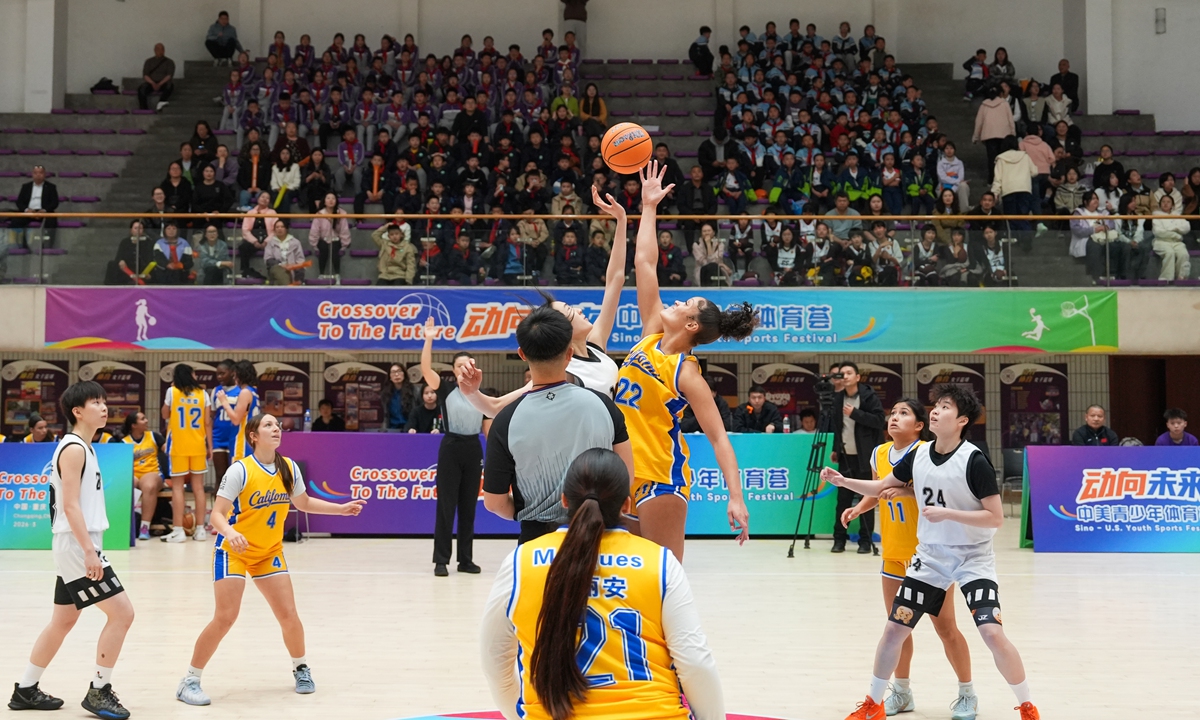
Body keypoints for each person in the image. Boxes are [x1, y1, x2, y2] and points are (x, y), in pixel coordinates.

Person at [824, 384, 1040, 720]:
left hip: (973, 559)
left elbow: (995, 517)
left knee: (991, 632)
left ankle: (1026, 705)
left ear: (962, 420)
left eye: (945, 407)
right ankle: (874, 702)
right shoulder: (919, 455)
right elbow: (883, 486)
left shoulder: (974, 460)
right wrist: (843, 482)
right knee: (895, 628)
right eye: (936, 405)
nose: (936, 410)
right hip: (931, 559)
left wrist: (948, 513)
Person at [480, 448, 725, 720]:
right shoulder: (660, 563)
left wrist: (520, 714)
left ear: (564, 500)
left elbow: (494, 659)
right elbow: (695, 662)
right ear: (627, 505)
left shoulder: (520, 562)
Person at [175, 414, 365, 706]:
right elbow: (216, 514)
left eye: (277, 425)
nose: (276, 429)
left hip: (268, 552)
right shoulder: (240, 470)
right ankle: (189, 680)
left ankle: (301, 668)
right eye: (268, 425)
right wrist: (230, 532)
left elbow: (302, 503)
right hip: (233, 551)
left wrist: (340, 510)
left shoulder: (288, 467)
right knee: (226, 617)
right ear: (253, 435)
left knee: (289, 615)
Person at [618, 161, 754, 561]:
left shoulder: (687, 373)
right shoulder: (650, 336)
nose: (675, 300)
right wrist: (648, 207)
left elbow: (717, 437)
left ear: (692, 324)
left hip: (660, 476)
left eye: (685, 303)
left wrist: (735, 496)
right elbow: (644, 264)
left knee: (663, 579)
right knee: (619, 576)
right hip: (620, 473)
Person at [840, 399, 976, 718]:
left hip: (929, 557)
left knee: (946, 629)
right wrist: (860, 507)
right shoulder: (879, 453)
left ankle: (967, 692)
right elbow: (878, 490)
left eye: (904, 414)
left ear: (918, 426)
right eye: (892, 413)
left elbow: (936, 495)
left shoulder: (929, 454)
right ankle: (901, 692)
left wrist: (904, 493)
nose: (894, 418)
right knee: (898, 628)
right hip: (893, 555)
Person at [8, 382, 134, 718]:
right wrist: (90, 551)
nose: (104, 407)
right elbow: (71, 506)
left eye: (105, 401)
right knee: (122, 614)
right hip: (78, 545)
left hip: (74, 544)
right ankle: (99, 691)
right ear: (78, 411)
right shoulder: (75, 448)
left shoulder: (84, 447)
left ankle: (25, 690)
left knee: (62, 621)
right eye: (96, 402)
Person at [458, 186, 630, 420]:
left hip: (612, 446)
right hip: (581, 452)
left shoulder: (596, 345)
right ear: (563, 331)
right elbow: (495, 407)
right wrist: (472, 393)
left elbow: (615, 280)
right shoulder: (561, 371)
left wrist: (621, 220)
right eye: (571, 311)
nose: (579, 310)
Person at [476, 307, 632, 545]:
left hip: (536, 539)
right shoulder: (604, 406)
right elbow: (626, 477)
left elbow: (494, 502)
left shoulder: (506, 420)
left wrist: (526, 514)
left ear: (522, 354)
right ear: (569, 354)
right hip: (600, 536)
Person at [419, 319, 487, 576]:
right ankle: (441, 560)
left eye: (468, 364)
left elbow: (489, 422)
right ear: (453, 369)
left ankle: (466, 560)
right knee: (446, 505)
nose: (464, 367)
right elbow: (426, 369)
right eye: (459, 364)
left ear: (474, 368)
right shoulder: (445, 388)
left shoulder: (481, 392)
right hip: (450, 447)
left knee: (469, 506)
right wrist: (429, 339)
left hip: (473, 448)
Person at [832, 361, 886, 555]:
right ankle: (839, 540)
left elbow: (879, 421)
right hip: (846, 455)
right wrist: (835, 448)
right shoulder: (838, 399)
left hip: (865, 456)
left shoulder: (869, 396)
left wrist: (855, 413)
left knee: (867, 499)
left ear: (857, 377)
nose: (845, 376)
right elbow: (838, 426)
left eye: (848, 373)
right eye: (842, 374)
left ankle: (865, 541)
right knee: (842, 499)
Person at [160, 363, 210, 543]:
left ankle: (179, 530)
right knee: (198, 488)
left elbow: (165, 415)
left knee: (178, 487)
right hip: (198, 445)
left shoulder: (172, 392)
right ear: (190, 375)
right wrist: (209, 446)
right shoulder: (203, 394)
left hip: (178, 446)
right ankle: (201, 530)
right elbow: (207, 423)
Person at [124, 410, 167, 541]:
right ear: (133, 425)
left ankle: (144, 527)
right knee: (126, 484)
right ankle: (126, 525)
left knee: (148, 486)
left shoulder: (154, 436)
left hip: (152, 473)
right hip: (134, 474)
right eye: (142, 419)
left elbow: (169, 451)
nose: (146, 421)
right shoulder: (124, 442)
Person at [213, 360, 260, 462]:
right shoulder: (253, 391)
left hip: (242, 442)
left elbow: (236, 420)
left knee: (239, 476)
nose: (234, 378)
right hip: (250, 440)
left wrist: (224, 402)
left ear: (240, 375)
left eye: (235, 375)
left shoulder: (245, 392)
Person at [11, 165, 60, 248]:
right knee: (16, 221)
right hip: (29, 212)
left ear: (45, 174)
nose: (38, 175)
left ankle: (48, 245)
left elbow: (54, 203)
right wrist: (27, 210)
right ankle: (21, 244)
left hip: (44, 212)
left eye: (40, 173)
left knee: (52, 220)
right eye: (35, 173)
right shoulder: (26, 187)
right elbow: (19, 202)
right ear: (32, 174)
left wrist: (44, 211)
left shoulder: (51, 187)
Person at [309, 193, 351, 279]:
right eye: (328, 198)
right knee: (323, 248)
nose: (331, 200)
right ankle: (321, 274)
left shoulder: (341, 213)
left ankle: (337, 274)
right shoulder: (319, 214)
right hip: (323, 240)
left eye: (333, 198)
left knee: (334, 248)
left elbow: (344, 230)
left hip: (336, 240)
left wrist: (344, 245)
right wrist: (314, 245)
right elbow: (314, 231)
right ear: (324, 201)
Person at [1151, 195, 1191, 282]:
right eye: (1163, 202)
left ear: (1172, 205)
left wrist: (1171, 228)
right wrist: (1177, 234)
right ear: (1160, 204)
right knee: (1170, 253)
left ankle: (1181, 278)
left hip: (1177, 243)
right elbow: (1159, 232)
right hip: (1161, 241)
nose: (1165, 204)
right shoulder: (1156, 216)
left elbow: (1186, 227)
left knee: (1183, 254)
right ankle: (1166, 279)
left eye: (1168, 202)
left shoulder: (1177, 215)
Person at [264, 219, 307, 286]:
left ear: (286, 228)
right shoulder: (270, 243)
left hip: (292, 269)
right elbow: (268, 260)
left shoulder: (295, 242)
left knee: (278, 282)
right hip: (276, 268)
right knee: (279, 271)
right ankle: (288, 289)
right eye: (277, 227)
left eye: (282, 227)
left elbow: (300, 260)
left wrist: (292, 268)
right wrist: (281, 265)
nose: (279, 229)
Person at [372, 222, 417, 286]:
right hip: (384, 275)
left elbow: (411, 265)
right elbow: (374, 235)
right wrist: (385, 227)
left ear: (401, 234)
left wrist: (409, 280)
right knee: (378, 291)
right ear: (388, 236)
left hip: (400, 275)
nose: (394, 236)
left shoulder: (407, 247)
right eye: (392, 234)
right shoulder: (384, 244)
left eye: (396, 234)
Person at [138, 43, 175, 112]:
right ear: (154, 50)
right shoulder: (148, 61)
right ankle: (143, 108)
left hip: (163, 82)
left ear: (164, 50)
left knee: (170, 86)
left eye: (162, 49)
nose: (160, 51)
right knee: (141, 89)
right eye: (158, 49)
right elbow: (145, 75)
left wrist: (159, 84)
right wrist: (153, 83)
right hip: (151, 82)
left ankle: (162, 101)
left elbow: (169, 75)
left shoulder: (169, 62)